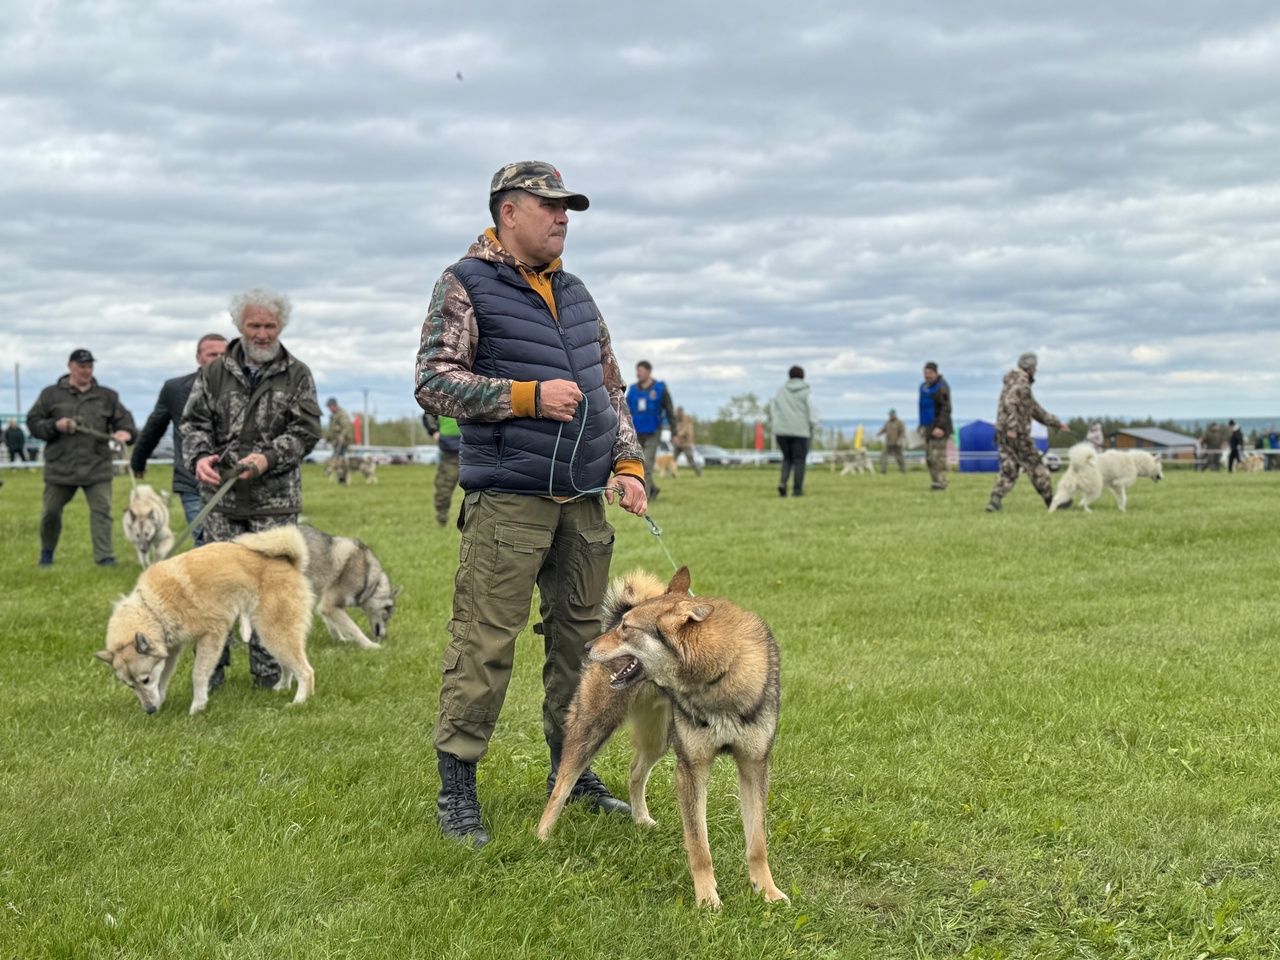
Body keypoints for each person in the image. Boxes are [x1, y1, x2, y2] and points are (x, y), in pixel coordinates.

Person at [415, 160, 648, 848]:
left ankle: (572, 775)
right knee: (483, 644)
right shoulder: (464, 284)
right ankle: (457, 789)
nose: (562, 217)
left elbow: (610, 390)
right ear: (507, 212)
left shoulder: (576, 294)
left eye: (567, 207)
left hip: (583, 502)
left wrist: (628, 464)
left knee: (584, 648)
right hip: (509, 502)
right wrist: (525, 397)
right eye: (548, 206)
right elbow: (433, 382)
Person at [182, 288, 321, 690]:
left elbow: (307, 431)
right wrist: (200, 458)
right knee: (215, 589)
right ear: (239, 326)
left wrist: (268, 458)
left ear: (281, 327)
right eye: (254, 325)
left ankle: (270, 672)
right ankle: (212, 673)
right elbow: (193, 423)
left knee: (271, 591)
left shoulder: (297, 374)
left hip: (273, 504)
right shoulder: (213, 373)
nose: (262, 333)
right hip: (222, 501)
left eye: (269, 326)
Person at [26, 349, 136, 566]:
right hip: (60, 467)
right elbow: (33, 424)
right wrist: (54, 426)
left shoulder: (107, 396)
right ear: (70, 366)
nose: (86, 371)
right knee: (50, 513)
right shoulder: (50, 394)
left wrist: (126, 432)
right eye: (81, 366)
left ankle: (105, 557)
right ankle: (47, 553)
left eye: (89, 366)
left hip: (97, 466)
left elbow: (125, 421)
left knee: (101, 512)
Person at [130, 333, 228, 541]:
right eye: (212, 354)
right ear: (199, 357)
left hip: (234, 479)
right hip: (192, 480)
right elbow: (154, 427)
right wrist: (138, 461)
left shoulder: (247, 388)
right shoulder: (175, 389)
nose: (219, 358)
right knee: (205, 540)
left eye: (224, 354)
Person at [986, 352, 1068, 512]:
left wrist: (1056, 423)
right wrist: (1012, 428)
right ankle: (1051, 502)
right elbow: (1012, 403)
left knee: (1009, 468)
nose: (1035, 370)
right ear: (1029, 368)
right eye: (1035, 367)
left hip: (1002, 433)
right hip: (1017, 434)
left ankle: (995, 500)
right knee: (1036, 466)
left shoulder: (1011, 382)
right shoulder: (1022, 383)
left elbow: (1034, 409)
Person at [626, 360, 676, 501]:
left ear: (648, 372)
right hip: (636, 432)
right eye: (637, 371)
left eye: (640, 371)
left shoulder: (660, 388)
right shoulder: (633, 390)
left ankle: (645, 497)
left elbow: (670, 410)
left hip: (653, 432)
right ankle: (653, 489)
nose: (638, 374)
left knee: (646, 464)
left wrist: (674, 431)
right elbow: (625, 409)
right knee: (639, 463)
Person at [771, 365, 818, 497]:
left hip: (781, 431)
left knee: (786, 459)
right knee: (799, 460)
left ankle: (783, 483)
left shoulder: (780, 391)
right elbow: (812, 411)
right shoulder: (806, 392)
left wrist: (777, 424)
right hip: (800, 431)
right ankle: (797, 489)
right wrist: (812, 425)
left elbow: (774, 409)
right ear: (803, 376)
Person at [422, 412, 461, 526]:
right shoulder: (442, 393)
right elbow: (428, 413)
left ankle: (474, 522)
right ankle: (442, 518)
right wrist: (433, 430)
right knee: (444, 487)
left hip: (475, 448)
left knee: (479, 489)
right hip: (450, 450)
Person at [918, 362, 953, 491]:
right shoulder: (923, 387)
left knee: (938, 457)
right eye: (925, 373)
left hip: (939, 428)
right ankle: (935, 482)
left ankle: (942, 483)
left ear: (936, 373)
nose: (927, 376)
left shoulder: (942, 387)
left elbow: (946, 408)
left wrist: (940, 427)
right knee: (929, 457)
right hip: (927, 427)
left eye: (930, 373)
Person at [325, 397, 355, 485]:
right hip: (336, 442)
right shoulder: (334, 415)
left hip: (343, 442)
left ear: (334, 405)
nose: (329, 409)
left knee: (341, 461)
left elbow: (346, 427)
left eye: (329, 407)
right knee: (337, 461)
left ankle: (343, 480)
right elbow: (332, 430)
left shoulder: (342, 414)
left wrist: (342, 436)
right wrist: (327, 438)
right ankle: (341, 479)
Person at [672, 406, 701, 476]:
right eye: (677, 412)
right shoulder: (676, 419)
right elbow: (674, 428)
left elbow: (687, 430)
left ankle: (698, 471)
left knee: (690, 459)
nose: (678, 414)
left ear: (682, 412)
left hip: (686, 444)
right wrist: (674, 437)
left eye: (679, 412)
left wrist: (678, 435)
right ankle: (673, 473)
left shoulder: (687, 419)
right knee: (673, 459)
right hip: (678, 443)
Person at [876, 408, 907, 474]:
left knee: (899, 458)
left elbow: (902, 432)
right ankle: (883, 471)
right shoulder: (887, 422)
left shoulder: (900, 422)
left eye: (892, 415)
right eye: (890, 415)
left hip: (897, 444)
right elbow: (884, 429)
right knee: (883, 456)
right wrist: (879, 433)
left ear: (895, 415)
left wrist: (900, 440)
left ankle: (903, 470)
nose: (891, 416)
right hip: (888, 443)